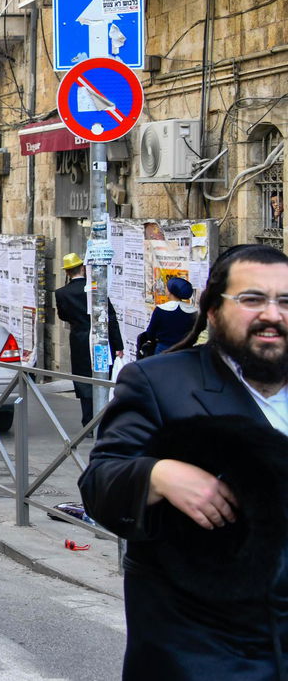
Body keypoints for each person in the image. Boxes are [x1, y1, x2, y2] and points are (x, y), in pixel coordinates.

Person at [80, 244, 288, 679]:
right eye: (252, 300)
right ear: (212, 310)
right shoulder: (160, 383)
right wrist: (158, 474)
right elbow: (101, 483)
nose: (272, 314)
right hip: (206, 657)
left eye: (285, 301)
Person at [55, 252, 124, 426]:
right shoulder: (96, 288)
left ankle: (88, 419)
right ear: (83, 268)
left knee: (83, 377)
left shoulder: (62, 293)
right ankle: (103, 417)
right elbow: (111, 318)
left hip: (78, 338)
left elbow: (63, 316)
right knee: (102, 374)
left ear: (67, 272)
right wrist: (118, 344)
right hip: (100, 337)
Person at [137, 276, 198, 357]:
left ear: (170, 292)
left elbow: (150, 333)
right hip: (186, 352)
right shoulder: (193, 311)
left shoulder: (160, 309)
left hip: (163, 351)